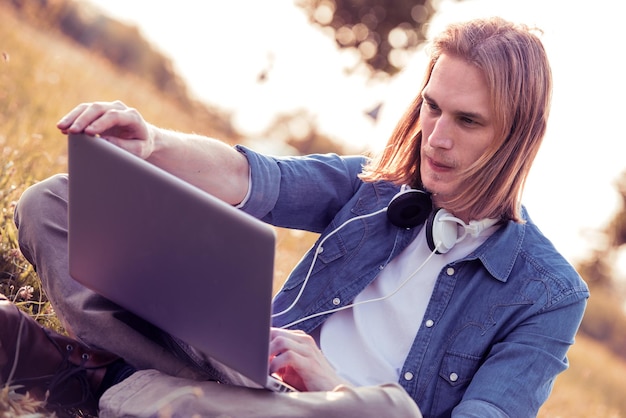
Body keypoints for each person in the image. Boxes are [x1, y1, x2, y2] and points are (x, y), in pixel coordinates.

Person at [3, 16, 588, 417]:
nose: (434, 138)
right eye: (431, 107)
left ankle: (106, 384)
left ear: (516, 138)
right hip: (249, 382)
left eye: (467, 121)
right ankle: (146, 392)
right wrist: (152, 142)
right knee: (55, 203)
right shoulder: (377, 186)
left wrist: (334, 387)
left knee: (390, 407)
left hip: (355, 413)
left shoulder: (549, 293)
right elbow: (258, 178)